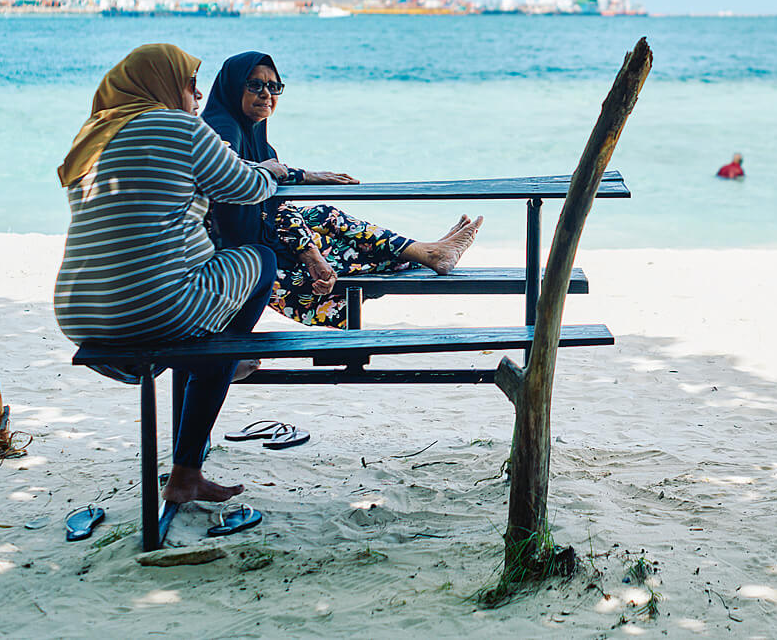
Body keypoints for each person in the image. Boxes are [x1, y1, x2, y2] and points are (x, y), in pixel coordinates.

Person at [54, 44, 288, 505]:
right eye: (188, 84)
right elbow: (246, 188)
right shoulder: (178, 127)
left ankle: (217, 365)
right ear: (160, 85)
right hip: (150, 309)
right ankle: (223, 366)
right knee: (262, 260)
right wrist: (271, 168)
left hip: (80, 312)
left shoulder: (92, 136)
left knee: (199, 288)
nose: (198, 96)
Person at [202, 51, 482, 329]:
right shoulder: (222, 127)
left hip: (260, 241)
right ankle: (427, 253)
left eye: (274, 86)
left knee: (325, 217)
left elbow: (276, 207)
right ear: (232, 87)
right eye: (254, 85)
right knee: (343, 249)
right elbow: (233, 171)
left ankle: (427, 252)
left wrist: (309, 251)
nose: (266, 94)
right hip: (237, 261)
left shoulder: (258, 139)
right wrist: (303, 176)